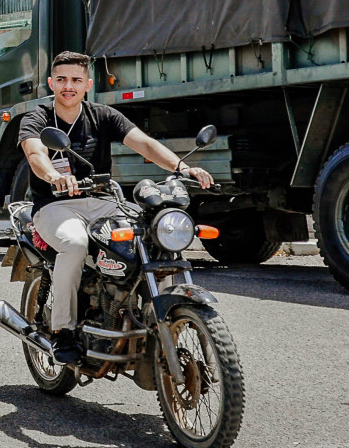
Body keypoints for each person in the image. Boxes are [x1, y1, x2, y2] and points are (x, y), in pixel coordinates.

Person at [18, 50, 215, 362]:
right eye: (62, 79)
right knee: (74, 243)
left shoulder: (102, 115)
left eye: (76, 80)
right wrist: (54, 175)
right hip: (55, 205)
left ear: (88, 84)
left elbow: (145, 144)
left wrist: (182, 168)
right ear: (50, 83)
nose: (69, 85)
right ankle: (63, 332)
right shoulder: (38, 118)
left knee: (153, 234)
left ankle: (159, 315)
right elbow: (35, 154)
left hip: (104, 201)